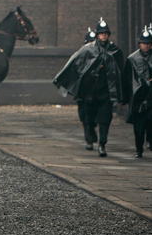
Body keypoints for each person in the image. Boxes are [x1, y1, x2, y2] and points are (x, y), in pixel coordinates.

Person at [53, 18, 123, 157]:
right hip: (91, 91)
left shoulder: (114, 50)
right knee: (89, 118)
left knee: (105, 119)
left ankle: (102, 144)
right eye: (101, 33)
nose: (104, 35)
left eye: (105, 33)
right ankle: (90, 134)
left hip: (107, 91)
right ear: (97, 34)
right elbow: (75, 63)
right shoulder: (87, 50)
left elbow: (121, 69)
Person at [123, 26, 152, 157]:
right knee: (138, 128)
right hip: (139, 98)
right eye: (143, 43)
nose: (146, 46)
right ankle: (139, 149)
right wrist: (127, 97)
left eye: (148, 43)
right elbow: (126, 79)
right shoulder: (132, 59)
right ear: (139, 44)